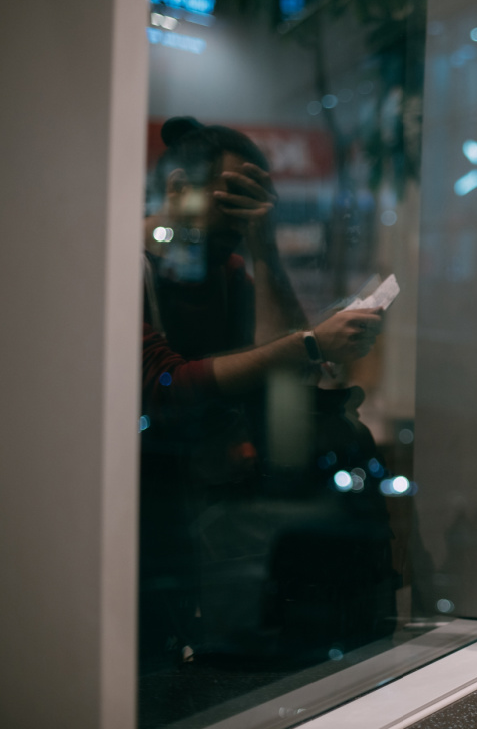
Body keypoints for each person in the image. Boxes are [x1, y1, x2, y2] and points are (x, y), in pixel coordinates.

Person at [139, 117, 391, 671]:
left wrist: (264, 248)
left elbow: (288, 372)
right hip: (140, 504)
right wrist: (308, 342)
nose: (239, 215)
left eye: (255, 200)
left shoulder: (227, 270)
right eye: (231, 196)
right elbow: (166, 386)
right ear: (179, 188)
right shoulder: (127, 266)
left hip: (214, 510)